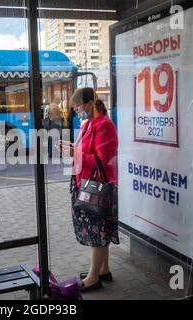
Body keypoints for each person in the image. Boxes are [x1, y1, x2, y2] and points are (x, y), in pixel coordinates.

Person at [57, 87, 119, 292]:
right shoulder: (88, 124)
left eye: (77, 105)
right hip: (86, 183)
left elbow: (102, 160)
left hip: (98, 187)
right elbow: (84, 151)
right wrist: (71, 148)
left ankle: (93, 277)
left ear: (90, 105)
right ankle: (103, 269)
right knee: (99, 229)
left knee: (97, 232)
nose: (75, 110)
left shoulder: (104, 126)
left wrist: (74, 153)